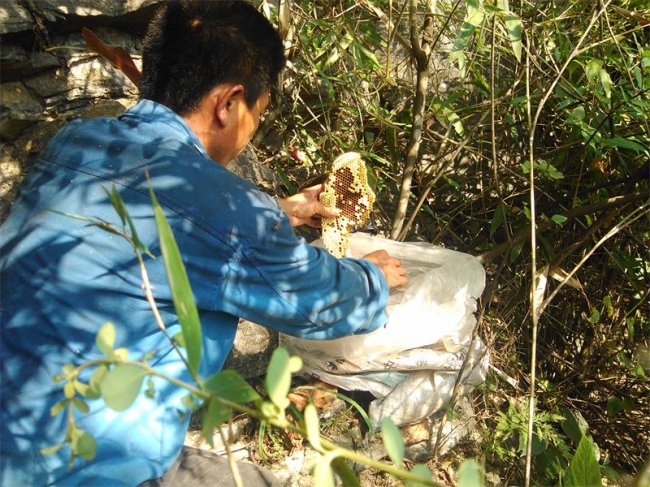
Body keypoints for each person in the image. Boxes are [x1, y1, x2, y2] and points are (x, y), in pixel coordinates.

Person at [0, 1, 408, 486]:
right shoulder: (227, 215)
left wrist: (280, 208)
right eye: (258, 112)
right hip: (89, 468)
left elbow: (165, 216)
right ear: (229, 103)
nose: (252, 128)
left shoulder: (77, 142)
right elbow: (317, 304)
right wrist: (372, 279)